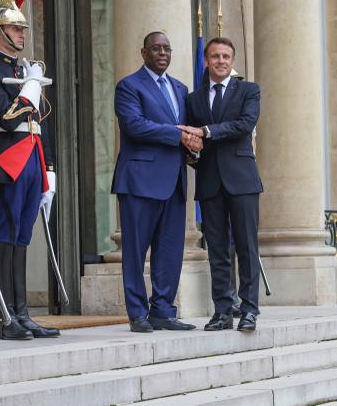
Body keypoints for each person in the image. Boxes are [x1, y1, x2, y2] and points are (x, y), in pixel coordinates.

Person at [0, 0, 59, 340]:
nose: (22, 34)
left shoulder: (22, 68)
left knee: (24, 237)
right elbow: (5, 118)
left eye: (22, 28)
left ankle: (23, 313)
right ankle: (5, 316)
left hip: (32, 157)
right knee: (7, 234)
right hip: (8, 157)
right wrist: (29, 87)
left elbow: (41, 122)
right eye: (14, 27)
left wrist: (50, 168)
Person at [112, 31, 200, 333]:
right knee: (135, 251)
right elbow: (134, 126)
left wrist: (192, 147)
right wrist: (178, 134)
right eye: (155, 48)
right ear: (143, 52)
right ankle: (137, 313)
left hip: (174, 180)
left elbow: (188, 131)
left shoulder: (180, 88)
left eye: (166, 48)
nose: (162, 53)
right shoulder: (129, 86)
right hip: (139, 180)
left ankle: (163, 309)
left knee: (170, 249)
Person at [180, 37, 263, 332]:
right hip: (210, 181)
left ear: (232, 60)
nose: (221, 61)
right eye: (215, 56)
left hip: (242, 180)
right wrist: (190, 146)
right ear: (206, 61)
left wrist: (203, 131)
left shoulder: (249, 90)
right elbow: (192, 142)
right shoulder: (194, 99)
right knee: (217, 250)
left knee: (246, 247)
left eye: (226, 56)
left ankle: (250, 309)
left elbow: (244, 125)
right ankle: (222, 311)